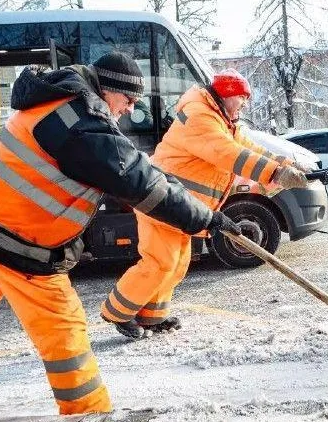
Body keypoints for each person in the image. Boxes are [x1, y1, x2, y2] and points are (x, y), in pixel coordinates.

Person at [0, 52, 240, 419]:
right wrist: (208, 219)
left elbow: (139, 168)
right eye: (127, 101)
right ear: (110, 91)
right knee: (65, 331)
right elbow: (140, 182)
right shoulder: (82, 124)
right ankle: (89, 413)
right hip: (17, 241)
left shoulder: (63, 102)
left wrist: (205, 213)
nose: (128, 109)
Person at [100, 68, 309, 340]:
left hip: (179, 206)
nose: (244, 103)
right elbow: (227, 153)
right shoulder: (201, 117)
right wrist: (274, 173)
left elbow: (248, 147)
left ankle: (152, 316)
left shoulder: (221, 119)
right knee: (159, 262)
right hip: (160, 200)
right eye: (242, 98)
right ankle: (117, 312)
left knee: (176, 263)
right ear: (227, 95)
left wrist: (286, 164)